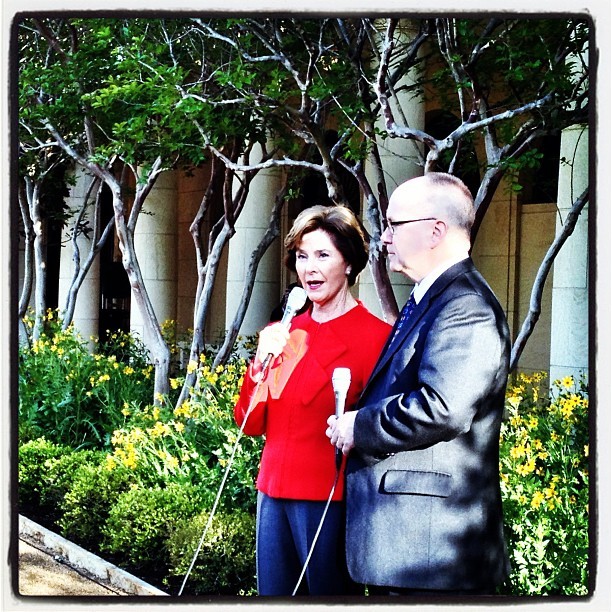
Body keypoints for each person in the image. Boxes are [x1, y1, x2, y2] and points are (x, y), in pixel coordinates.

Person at [327, 172, 511, 595]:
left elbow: (442, 408)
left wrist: (360, 426)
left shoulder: (465, 304)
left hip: (432, 550)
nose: (384, 237)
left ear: (435, 231)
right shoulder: (431, 296)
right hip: (413, 546)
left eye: (394, 225)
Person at [234, 205, 391, 596]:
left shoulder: (376, 338)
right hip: (272, 493)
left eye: (323, 255)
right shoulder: (285, 332)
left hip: (330, 498)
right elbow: (250, 423)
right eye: (303, 256)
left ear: (350, 263)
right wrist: (258, 364)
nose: (310, 268)